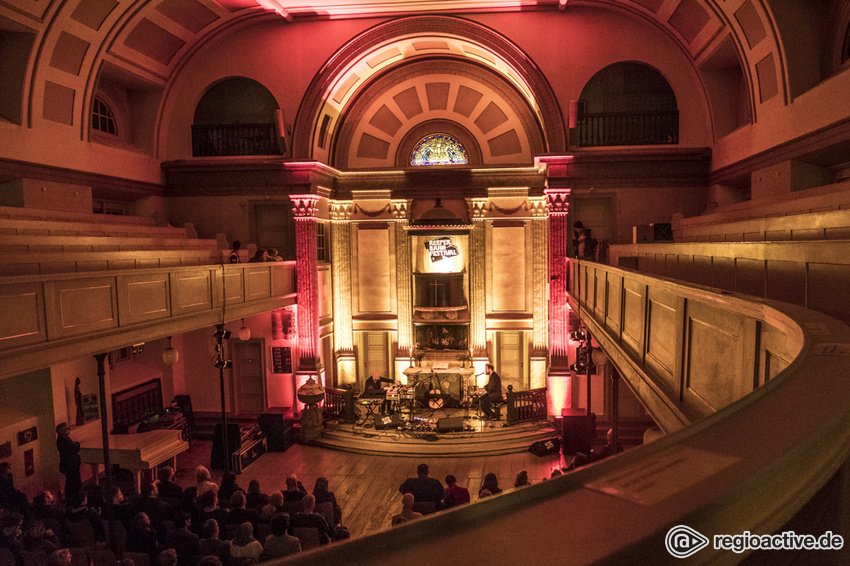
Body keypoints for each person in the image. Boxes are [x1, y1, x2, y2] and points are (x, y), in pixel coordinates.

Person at [55, 422, 82, 501]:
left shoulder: (64, 439)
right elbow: (74, 448)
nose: (69, 429)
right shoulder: (63, 441)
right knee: (73, 482)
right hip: (70, 465)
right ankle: (73, 499)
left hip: (71, 464)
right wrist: (77, 445)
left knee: (73, 481)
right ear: (62, 431)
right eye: (67, 428)